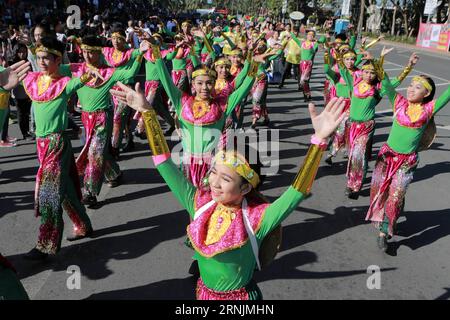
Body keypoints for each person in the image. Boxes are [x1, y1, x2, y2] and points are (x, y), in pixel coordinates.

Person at [110, 81, 347, 300]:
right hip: (202, 294)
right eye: (213, 172)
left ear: (245, 186)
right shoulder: (199, 202)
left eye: (225, 178)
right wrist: (147, 113)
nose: (213, 182)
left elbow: (298, 190)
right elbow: (163, 162)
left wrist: (319, 142)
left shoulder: (258, 218)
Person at [22, 37, 99, 260]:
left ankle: (46, 244)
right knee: (63, 191)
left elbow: (82, 76)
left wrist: (87, 73)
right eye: (39, 57)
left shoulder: (64, 83)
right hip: (41, 145)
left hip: (56, 144)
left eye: (47, 57)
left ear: (58, 60)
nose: (42, 61)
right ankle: (83, 224)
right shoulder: (32, 80)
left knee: (48, 194)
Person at [366, 69, 450, 251]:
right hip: (386, 156)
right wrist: (379, 67)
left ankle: (384, 232)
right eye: (410, 85)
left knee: (395, 197)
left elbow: (448, 93)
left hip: (407, 161)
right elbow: (387, 85)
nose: (411, 89)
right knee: (379, 192)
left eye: (417, 87)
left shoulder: (429, 109)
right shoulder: (399, 102)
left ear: (426, 94)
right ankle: (391, 213)